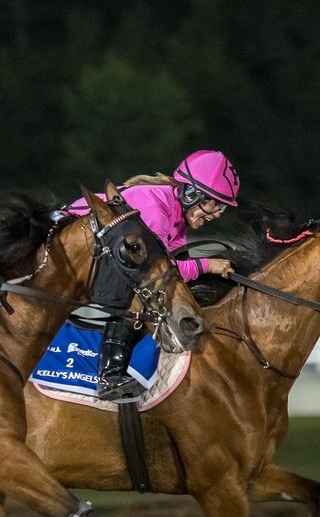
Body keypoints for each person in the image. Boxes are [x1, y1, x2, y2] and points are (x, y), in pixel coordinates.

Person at [66, 149, 241, 400]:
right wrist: (207, 266)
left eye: (222, 208)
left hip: (89, 255)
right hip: (68, 247)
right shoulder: (156, 209)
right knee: (139, 288)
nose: (216, 214)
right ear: (190, 192)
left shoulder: (178, 218)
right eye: (214, 204)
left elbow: (174, 272)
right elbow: (153, 271)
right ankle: (110, 375)